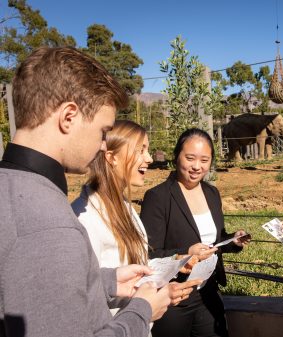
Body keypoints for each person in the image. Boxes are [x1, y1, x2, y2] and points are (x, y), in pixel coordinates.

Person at [0, 47, 182, 337]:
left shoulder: (11, 187)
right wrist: (141, 311)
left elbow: (31, 290)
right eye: (102, 131)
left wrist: (105, 283)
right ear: (69, 117)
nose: (101, 145)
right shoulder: (48, 224)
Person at [71, 120, 199, 317]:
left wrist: (174, 263)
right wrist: (144, 307)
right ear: (111, 157)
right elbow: (84, 291)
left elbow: (131, 269)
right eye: (140, 150)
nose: (148, 158)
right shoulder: (85, 217)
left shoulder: (125, 208)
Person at [140, 128, 250, 337]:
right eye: (190, 158)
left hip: (208, 293)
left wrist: (233, 240)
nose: (197, 167)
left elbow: (213, 242)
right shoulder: (158, 197)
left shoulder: (212, 193)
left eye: (204, 160)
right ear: (176, 156)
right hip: (174, 297)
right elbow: (148, 254)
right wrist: (186, 253)